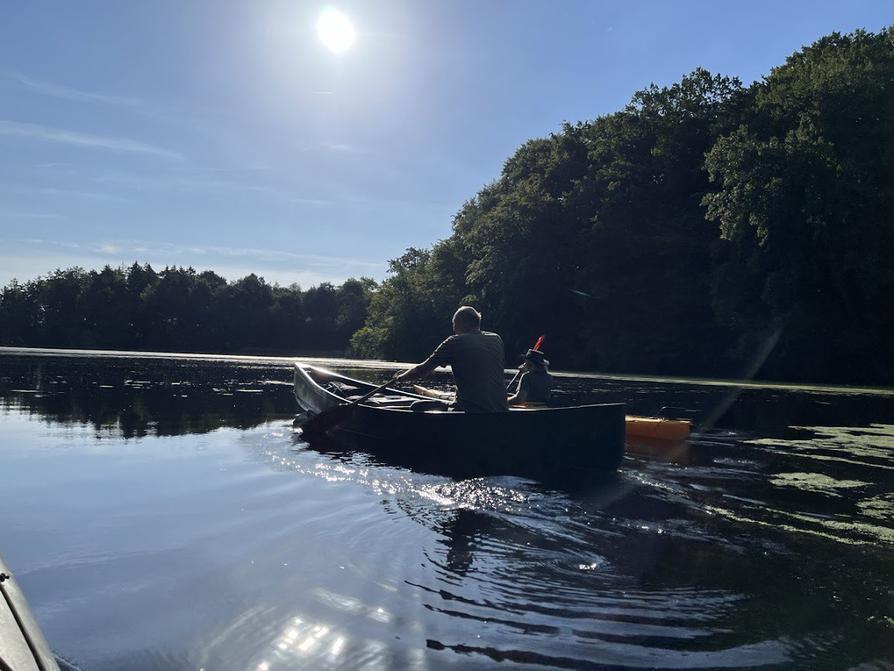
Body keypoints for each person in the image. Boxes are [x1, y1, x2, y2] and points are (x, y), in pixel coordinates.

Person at [396, 306, 509, 413]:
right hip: (501, 409)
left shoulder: (454, 342)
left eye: (454, 324)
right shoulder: (496, 339)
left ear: (463, 323)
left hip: (470, 411)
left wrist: (400, 378)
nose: (453, 328)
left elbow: (421, 370)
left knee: (416, 406)